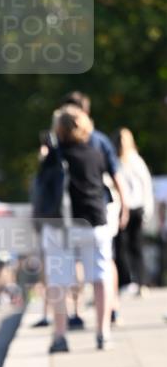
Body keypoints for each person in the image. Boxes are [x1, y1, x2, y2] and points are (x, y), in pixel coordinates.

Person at [41, 106, 126, 352]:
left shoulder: (53, 156)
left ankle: (60, 336)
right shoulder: (96, 152)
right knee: (101, 278)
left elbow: (44, 189)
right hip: (94, 221)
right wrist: (124, 207)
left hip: (61, 226)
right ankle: (103, 333)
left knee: (59, 281)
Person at [112, 128, 153, 294]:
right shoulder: (115, 161)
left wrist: (147, 208)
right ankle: (125, 282)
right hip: (121, 208)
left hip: (136, 208)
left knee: (136, 246)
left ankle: (141, 282)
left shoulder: (136, 161)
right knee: (120, 246)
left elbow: (146, 186)